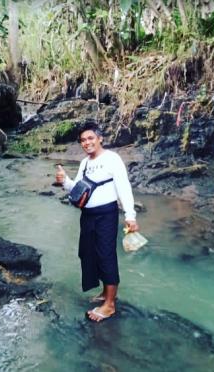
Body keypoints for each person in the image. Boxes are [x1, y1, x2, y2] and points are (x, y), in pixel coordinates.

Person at [55, 122, 139, 322]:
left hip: (106, 215)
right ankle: (105, 292)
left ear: (100, 138)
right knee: (88, 252)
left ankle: (110, 305)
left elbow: (123, 187)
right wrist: (65, 181)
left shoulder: (112, 159)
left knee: (106, 255)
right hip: (88, 216)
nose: (87, 143)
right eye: (83, 140)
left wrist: (130, 215)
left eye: (90, 138)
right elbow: (77, 189)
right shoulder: (85, 163)